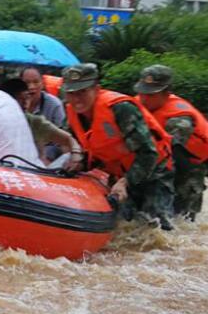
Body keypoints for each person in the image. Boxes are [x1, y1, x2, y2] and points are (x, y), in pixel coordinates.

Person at [61, 63, 175, 230]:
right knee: (123, 226)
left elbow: (149, 153)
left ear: (96, 89)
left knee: (157, 226)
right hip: (119, 172)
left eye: (82, 91)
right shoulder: (72, 113)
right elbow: (96, 149)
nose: (77, 99)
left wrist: (125, 182)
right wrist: (81, 163)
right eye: (71, 93)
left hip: (153, 171)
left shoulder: (121, 109)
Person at [135, 65, 208, 220]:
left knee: (181, 219)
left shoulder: (180, 119)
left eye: (150, 94)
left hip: (187, 167)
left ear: (167, 93)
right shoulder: (134, 105)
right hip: (155, 159)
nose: (144, 98)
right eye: (142, 92)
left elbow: (171, 154)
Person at [0, 78, 84, 170]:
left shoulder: (35, 122)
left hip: (36, 174)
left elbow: (68, 139)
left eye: (27, 97)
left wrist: (76, 154)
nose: (25, 102)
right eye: (19, 99)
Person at [21, 66, 66, 159]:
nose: (31, 87)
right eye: (26, 83)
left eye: (36, 82)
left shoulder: (54, 104)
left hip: (48, 148)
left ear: (42, 83)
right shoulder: (14, 102)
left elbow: (62, 136)